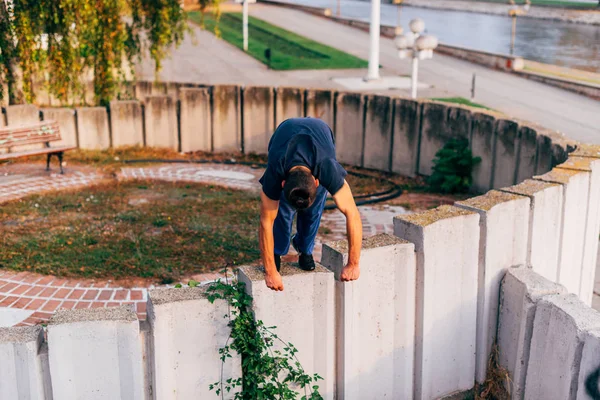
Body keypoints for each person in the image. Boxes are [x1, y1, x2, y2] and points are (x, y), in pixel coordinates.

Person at [258, 117, 362, 291]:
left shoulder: (327, 167)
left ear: (316, 181)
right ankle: (278, 250)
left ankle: (305, 249)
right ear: (283, 183)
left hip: (320, 130)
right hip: (286, 130)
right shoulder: (276, 171)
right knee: (281, 213)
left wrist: (353, 263)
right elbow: (265, 222)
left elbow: (353, 214)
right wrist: (270, 271)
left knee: (313, 211)